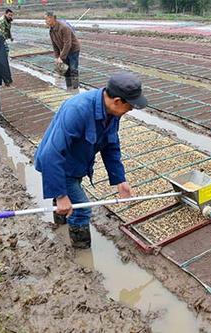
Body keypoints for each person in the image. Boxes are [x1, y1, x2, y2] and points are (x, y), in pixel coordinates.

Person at [34, 72, 147, 248]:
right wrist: (61, 194)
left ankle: (61, 223)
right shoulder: (78, 110)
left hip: (77, 162)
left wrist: (120, 180)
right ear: (117, 101)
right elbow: (51, 154)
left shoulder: (111, 113)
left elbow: (111, 146)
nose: (130, 111)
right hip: (60, 166)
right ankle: (82, 251)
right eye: (130, 107)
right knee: (82, 209)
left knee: (67, 204)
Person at [44, 11, 80, 90]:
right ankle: (69, 86)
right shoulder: (51, 30)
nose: (45, 21)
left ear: (52, 18)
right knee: (66, 69)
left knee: (73, 68)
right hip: (64, 50)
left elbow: (68, 44)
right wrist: (57, 57)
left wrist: (61, 57)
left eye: (46, 19)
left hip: (73, 49)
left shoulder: (64, 27)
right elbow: (54, 45)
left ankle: (75, 88)